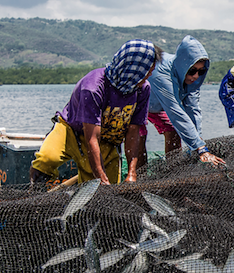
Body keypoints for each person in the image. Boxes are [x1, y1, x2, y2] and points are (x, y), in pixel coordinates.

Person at [29, 39, 163, 185]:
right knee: (46, 160)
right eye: (147, 72)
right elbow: (91, 138)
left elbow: (133, 133)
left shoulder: (142, 89)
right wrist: (100, 177)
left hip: (106, 141)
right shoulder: (93, 87)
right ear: (133, 68)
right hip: (70, 131)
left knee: (104, 196)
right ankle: (35, 195)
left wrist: (132, 173)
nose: (149, 76)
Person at [138, 35, 225, 167]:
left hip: (160, 106)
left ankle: (172, 169)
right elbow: (176, 113)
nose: (196, 76)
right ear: (183, 66)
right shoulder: (161, 73)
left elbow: (193, 110)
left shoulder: (193, 80)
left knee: (173, 130)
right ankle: (138, 176)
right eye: (192, 71)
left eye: (201, 71)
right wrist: (200, 148)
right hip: (139, 103)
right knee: (137, 135)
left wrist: (197, 146)